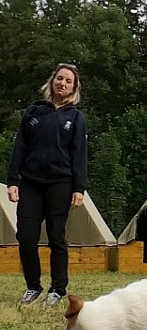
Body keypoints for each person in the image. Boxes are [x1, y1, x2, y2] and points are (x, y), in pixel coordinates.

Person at [6, 63, 88, 307]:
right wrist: (13, 181)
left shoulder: (74, 118)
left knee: (56, 237)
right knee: (26, 236)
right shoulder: (34, 112)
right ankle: (33, 287)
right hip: (30, 183)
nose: (62, 83)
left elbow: (79, 154)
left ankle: (58, 289)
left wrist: (78, 188)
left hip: (60, 184)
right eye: (59, 78)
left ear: (74, 87)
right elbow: (19, 146)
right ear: (52, 81)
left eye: (68, 81)